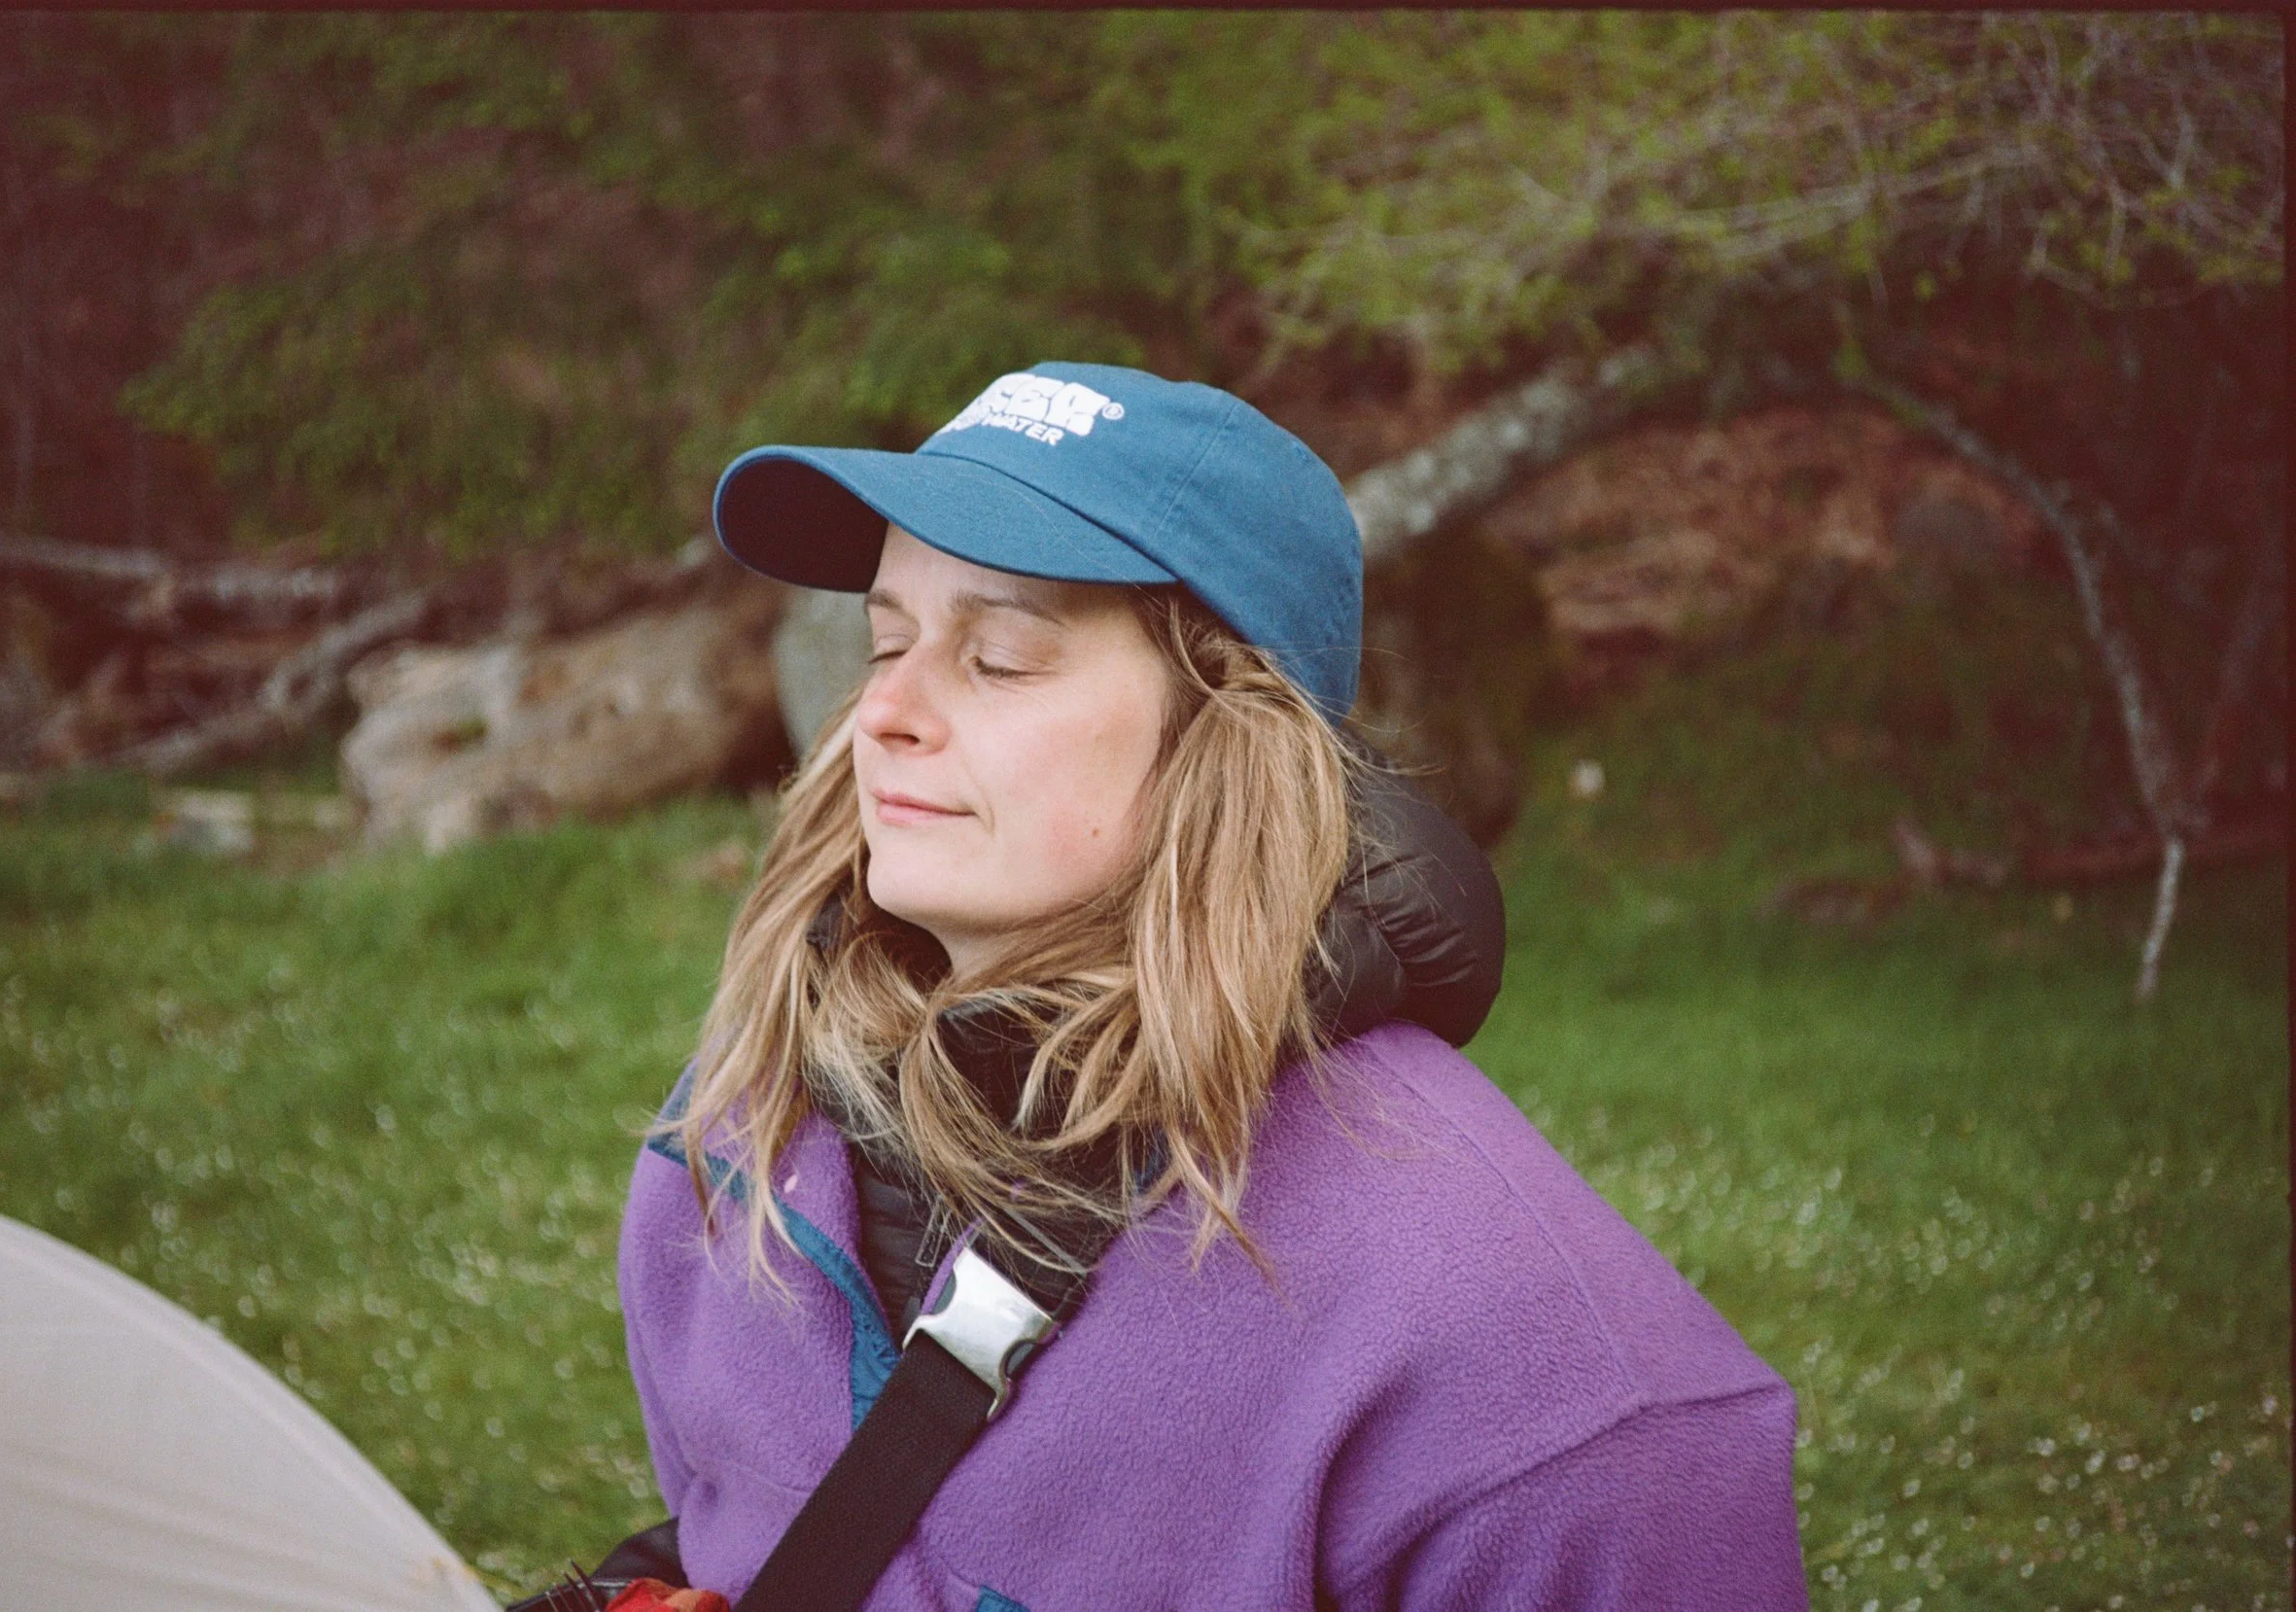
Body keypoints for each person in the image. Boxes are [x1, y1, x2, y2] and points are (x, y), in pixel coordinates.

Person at [615, 363, 1808, 1610]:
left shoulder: (1541, 1383)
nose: (882, 713)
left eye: (1002, 657)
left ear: (1228, 736)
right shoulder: (732, 1136)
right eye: (886, 640)